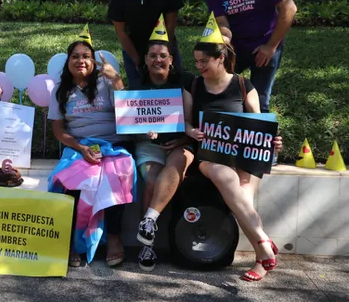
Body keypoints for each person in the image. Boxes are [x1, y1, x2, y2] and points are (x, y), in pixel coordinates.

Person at [183, 18, 283, 282]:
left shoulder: (242, 85)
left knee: (243, 201)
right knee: (228, 180)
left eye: (203, 61)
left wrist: (273, 141)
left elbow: (258, 123)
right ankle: (263, 243)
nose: (199, 66)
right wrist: (192, 131)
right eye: (196, 61)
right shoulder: (193, 86)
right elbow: (186, 122)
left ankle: (262, 258)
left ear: (220, 58)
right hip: (209, 154)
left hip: (244, 156)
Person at [47, 25, 134, 268]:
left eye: (86, 56)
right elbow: (59, 131)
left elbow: (128, 114)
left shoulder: (107, 83)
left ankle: (114, 238)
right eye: (75, 56)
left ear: (94, 62)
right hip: (78, 146)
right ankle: (72, 242)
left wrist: (116, 79)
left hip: (114, 145)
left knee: (120, 175)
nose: (81, 60)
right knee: (72, 182)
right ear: (68, 63)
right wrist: (80, 148)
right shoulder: (60, 91)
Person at [131, 17, 195, 272]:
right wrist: (141, 131)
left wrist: (183, 139)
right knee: (152, 182)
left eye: (163, 55)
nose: (158, 60)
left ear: (171, 59)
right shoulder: (137, 88)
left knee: (178, 160)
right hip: (150, 146)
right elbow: (129, 127)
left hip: (180, 144)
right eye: (153, 55)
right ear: (145, 60)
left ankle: (149, 220)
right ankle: (148, 243)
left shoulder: (186, 82)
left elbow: (193, 121)